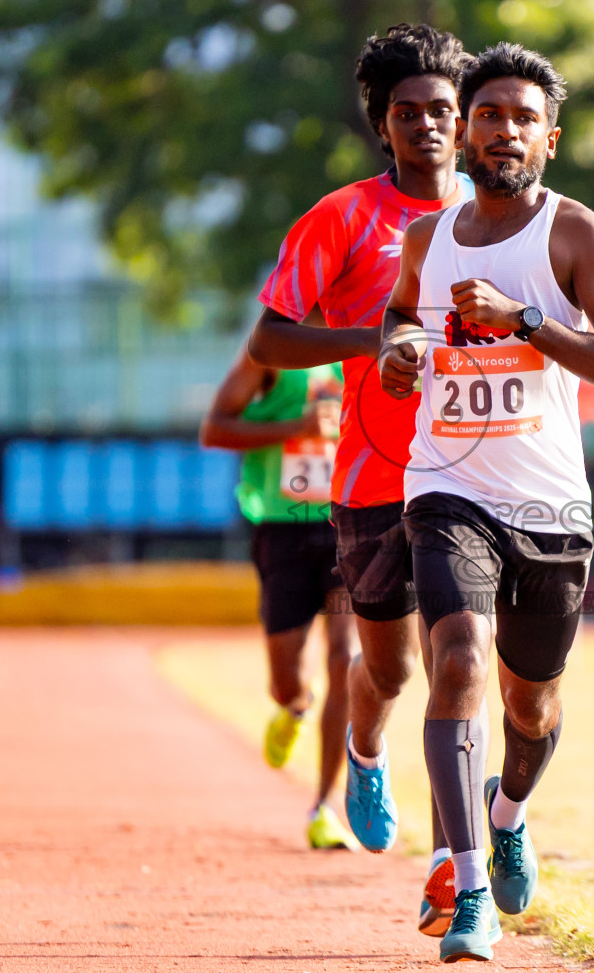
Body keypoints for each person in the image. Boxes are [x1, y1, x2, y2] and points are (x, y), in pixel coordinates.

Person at [378, 43, 594, 962]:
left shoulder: (575, 234)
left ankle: (509, 813)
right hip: (446, 486)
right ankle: (468, 888)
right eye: (488, 114)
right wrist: (400, 350)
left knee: (531, 707)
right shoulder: (429, 237)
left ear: (550, 139)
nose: (504, 131)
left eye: (524, 118)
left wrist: (524, 320)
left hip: (550, 506)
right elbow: (401, 314)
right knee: (457, 660)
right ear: (466, 131)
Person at [244, 23, 475, 934]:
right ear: (383, 125)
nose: (426, 125)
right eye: (406, 112)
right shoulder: (342, 218)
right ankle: (365, 749)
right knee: (386, 669)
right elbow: (271, 339)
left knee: (461, 661)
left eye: (441, 110)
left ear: (464, 120)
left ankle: (457, 866)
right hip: (374, 477)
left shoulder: (499, 218)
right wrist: (372, 339)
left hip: (475, 479)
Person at [200, 352, 358, 850]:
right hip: (282, 527)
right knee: (286, 679)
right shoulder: (272, 350)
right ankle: (295, 706)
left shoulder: (369, 342)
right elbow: (214, 430)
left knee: (345, 658)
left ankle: (325, 806)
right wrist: (298, 425)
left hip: (350, 523)